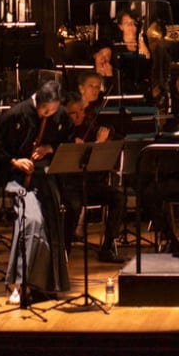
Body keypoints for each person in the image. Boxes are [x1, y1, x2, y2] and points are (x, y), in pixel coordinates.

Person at [0, 79, 69, 304]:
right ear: (39, 100)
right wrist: (15, 162)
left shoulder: (60, 114)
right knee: (30, 221)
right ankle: (17, 283)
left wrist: (50, 148)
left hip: (45, 178)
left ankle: (42, 284)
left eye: (53, 110)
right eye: (46, 109)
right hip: (18, 179)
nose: (49, 114)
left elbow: (69, 138)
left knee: (50, 226)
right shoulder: (14, 115)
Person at [58, 72, 126, 265]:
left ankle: (108, 247)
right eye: (74, 113)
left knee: (118, 196)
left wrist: (99, 144)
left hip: (88, 183)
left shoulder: (90, 119)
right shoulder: (61, 129)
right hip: (67, 185)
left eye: (81, 111)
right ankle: (64, 250)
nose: (79, 116)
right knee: (74, 205)